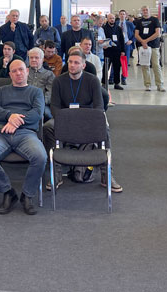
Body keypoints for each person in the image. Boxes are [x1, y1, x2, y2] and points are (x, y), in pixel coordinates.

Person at [46, 49, 121, 192]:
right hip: (65, 119)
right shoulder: (58, 81)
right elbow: (54, 106)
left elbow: (99, 107)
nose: (72, 65)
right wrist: (64, 119)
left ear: (83, 65)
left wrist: (84, 120)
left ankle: (107, 174)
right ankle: (56, 173)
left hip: (88, 120)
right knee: (48, 127)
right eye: (70, 62)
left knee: (104, 128)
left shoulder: (92, 81)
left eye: (76, 63)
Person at [0, 60, 46, 215]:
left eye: (21, 70)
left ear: (27, 71)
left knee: (41, 157)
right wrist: (10, 115)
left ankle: (27, 195)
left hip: (26, 134)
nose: (18, 73)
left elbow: (37, 113)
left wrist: (15, 123)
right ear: (9, 74)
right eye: (14, 71)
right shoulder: (1, 91)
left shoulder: (36, 92)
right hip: (2, 134)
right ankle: (8, 192)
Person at [135, 6, 164, 92]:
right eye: (143, 10)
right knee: (145, 65)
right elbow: (136, 34)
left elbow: (157, 33)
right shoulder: (139, 21)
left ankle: (160, 85)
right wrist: (143, 42)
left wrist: (146, 41)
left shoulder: (155, 20)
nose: (145, 11)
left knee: (156, 65)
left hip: (154, 46)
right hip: (143, 47)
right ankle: (147, 85)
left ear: (149, 11)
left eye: (146, 10)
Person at [27, 47, 54, 120]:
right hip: (25, 102)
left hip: (42, 104)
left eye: (36, 58)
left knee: (47, 114)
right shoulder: (24, 72)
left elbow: (50, 92)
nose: (33, 60)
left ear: (42, 59)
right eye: (31, 57)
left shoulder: (49, 74)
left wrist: (40, 102)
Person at [101, 13, 125, 90]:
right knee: (106, 67)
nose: (112, 20)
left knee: (117, 67)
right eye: (110, 18)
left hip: (117, 51)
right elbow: (101, 39)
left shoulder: (118, 28)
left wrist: (123, 50)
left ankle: (117, 83)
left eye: (113, 18)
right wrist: (103, 45)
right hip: (108, 51)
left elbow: (121, 39)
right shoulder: (103, 28)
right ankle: (104, 83)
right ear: (107, 19)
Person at [117, 10, 136, 84]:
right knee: (116, 61)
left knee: (125, 62)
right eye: (121, 14)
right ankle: (113, 78)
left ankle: (124, 78)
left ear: (126, 15)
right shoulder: (116, 23)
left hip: (126, 44)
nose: (122, 15)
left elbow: (136, 33)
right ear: (119, 15)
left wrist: (131, 40)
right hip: (117, 45)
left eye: (123, 14)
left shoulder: (129, 24)